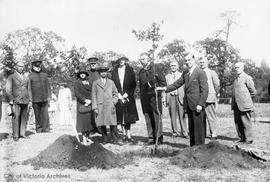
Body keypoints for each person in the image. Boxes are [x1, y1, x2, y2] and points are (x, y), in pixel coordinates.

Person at [157, 52, 208, 146]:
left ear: (194, 60)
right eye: (186, 60)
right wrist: (165, 88)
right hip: (188, 104)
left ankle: (200, 148)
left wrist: (200, 104)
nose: (187, 62)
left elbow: (204, 90)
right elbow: (177, 83)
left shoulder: (200, 73)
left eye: (189, 60)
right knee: (191, 127)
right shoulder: (185, 73)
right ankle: (193, 147)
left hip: (197, 105)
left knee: (198, 128)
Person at [138, 52, 166, 145]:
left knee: (156, 117)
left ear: (148, 59)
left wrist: (155, 89)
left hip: (155, 98)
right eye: (140, 60)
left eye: (143, 59)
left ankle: (159, 138)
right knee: (148, 117)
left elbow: (163, 83)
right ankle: (151, 138)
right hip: (145, 99)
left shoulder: (156, 68)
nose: (141, 61)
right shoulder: (141, 71)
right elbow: (141, 86)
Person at [92, 62, 122, 145]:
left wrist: (113, 102)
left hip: (110, 105)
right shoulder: (95, 83)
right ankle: (105, 139)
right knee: (102, 123)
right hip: (100, 105)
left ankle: (115, 139)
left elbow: (115, 93)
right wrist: (95, 107)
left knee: (113, 123)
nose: (103, 73)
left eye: (105, 71)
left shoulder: (111, 82)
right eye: (101, 72)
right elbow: (93, 96)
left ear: (107, 72)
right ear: (99, 73)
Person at [111, 57, 139, 143]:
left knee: (128, 116)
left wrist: (128, 93)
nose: (121, 61)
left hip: (128, 96)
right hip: (118, 96)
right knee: (121, 116)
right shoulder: (115, 71)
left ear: (125, 61)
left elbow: (133, 83)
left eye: (123, 60)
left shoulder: (130, 70)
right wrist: (118, 94)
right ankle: (123, 134)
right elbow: (113, 83)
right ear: (118, 61)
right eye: (120, 60)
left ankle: (129, 134)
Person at [232, 62, 256, 144]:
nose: (236, 69)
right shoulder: (235, 80)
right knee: (238, 122)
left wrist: (247, 100)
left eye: (238, 67)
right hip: (236, 105)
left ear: (242, 68)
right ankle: (242, 138)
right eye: (235, 67)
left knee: (246, 122)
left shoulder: (247, 78)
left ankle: (249, 139)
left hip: (245, 105)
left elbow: (253, 92)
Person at [6, 62, 30, 141]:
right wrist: (11, 100)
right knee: (16, 117)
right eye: (19, 66)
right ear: (16, 67)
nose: (21, 68)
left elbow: (28, 89)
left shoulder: (26, 77)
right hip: (16, 100)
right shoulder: (11, 77)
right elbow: (8, 90)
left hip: (25, 100)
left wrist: (30, 99)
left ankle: (22, 134)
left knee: (24, 117)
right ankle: (15, 135)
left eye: (22, 66)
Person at [164, 60, 188, 138]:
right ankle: (175, 132)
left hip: (180, 97)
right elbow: (165, 89)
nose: (173, 67)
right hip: (171, 97)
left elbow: (185, 87)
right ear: (170, 67)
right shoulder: (167, 77)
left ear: (177, 67)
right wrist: (164, 99)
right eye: (171, 65)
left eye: (174, 65)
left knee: (182, 115)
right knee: (173, 115)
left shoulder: (182, 75)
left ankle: (184, 132)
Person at [199, 55, 220, 139]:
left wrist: (214, 95)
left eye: (203, 62)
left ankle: (214, 134)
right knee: (201, 117)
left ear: (207, 63)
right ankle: (202, 133)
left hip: (209, 97)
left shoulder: (212, 72)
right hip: (200, 98)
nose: (202, 64)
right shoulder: (198, 72)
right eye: (200, 62)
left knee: (211, 116)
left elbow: (217, 85)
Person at [28, 60, 51, 133]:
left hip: (44, 98)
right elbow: (29, 89)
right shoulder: (30, 76)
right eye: (36, 66)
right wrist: (30, 100)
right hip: (35, 98)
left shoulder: (44, 75)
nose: (38, 68)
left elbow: (48, 86)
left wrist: (49, 97)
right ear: (33, 67)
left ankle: (46, 128)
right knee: (37, 115)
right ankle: (39, 128)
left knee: (45, 114)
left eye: (39, 66)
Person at [74, 67, 93, 145]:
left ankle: (88, 137)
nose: (82, 75)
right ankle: (84, 138)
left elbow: (93, 91)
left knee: (89, 122)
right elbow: (77, 93)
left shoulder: (90, 82)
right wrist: (84, 100)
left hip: (89, 103)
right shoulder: (77, 83)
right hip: (81, 104)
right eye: (81, 74)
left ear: (86, 75)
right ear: (79, 75)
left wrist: (90, 100)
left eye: (84, 74)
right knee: (83, 123)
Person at [87, 57, 100, 135]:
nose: (93, 65)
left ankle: (99, 128)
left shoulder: (99, 72)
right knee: (91, 113)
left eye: (94, 63)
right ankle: (92, 129)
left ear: (96, 64)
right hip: (90, 94)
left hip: (99, 94)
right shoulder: (87, 73)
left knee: (99, 112)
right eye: (91, 64)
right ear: (89, 64)